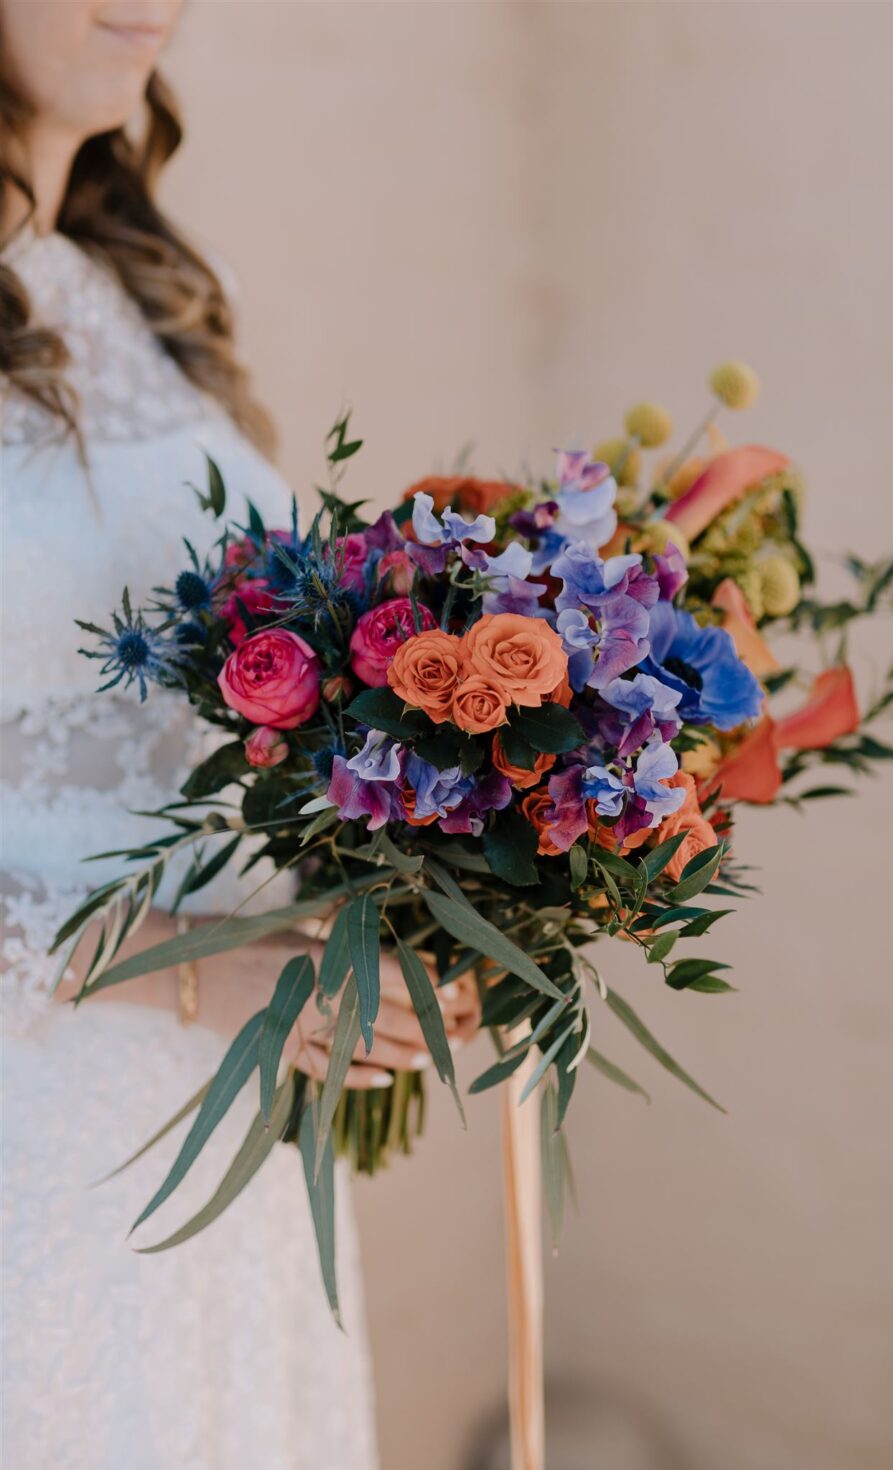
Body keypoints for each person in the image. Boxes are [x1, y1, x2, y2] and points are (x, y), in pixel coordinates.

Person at [0, 5, 478, 1465]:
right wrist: (207, 971)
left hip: (227, 1136)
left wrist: (428, 889)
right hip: (40, 1135)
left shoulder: (116, 279)